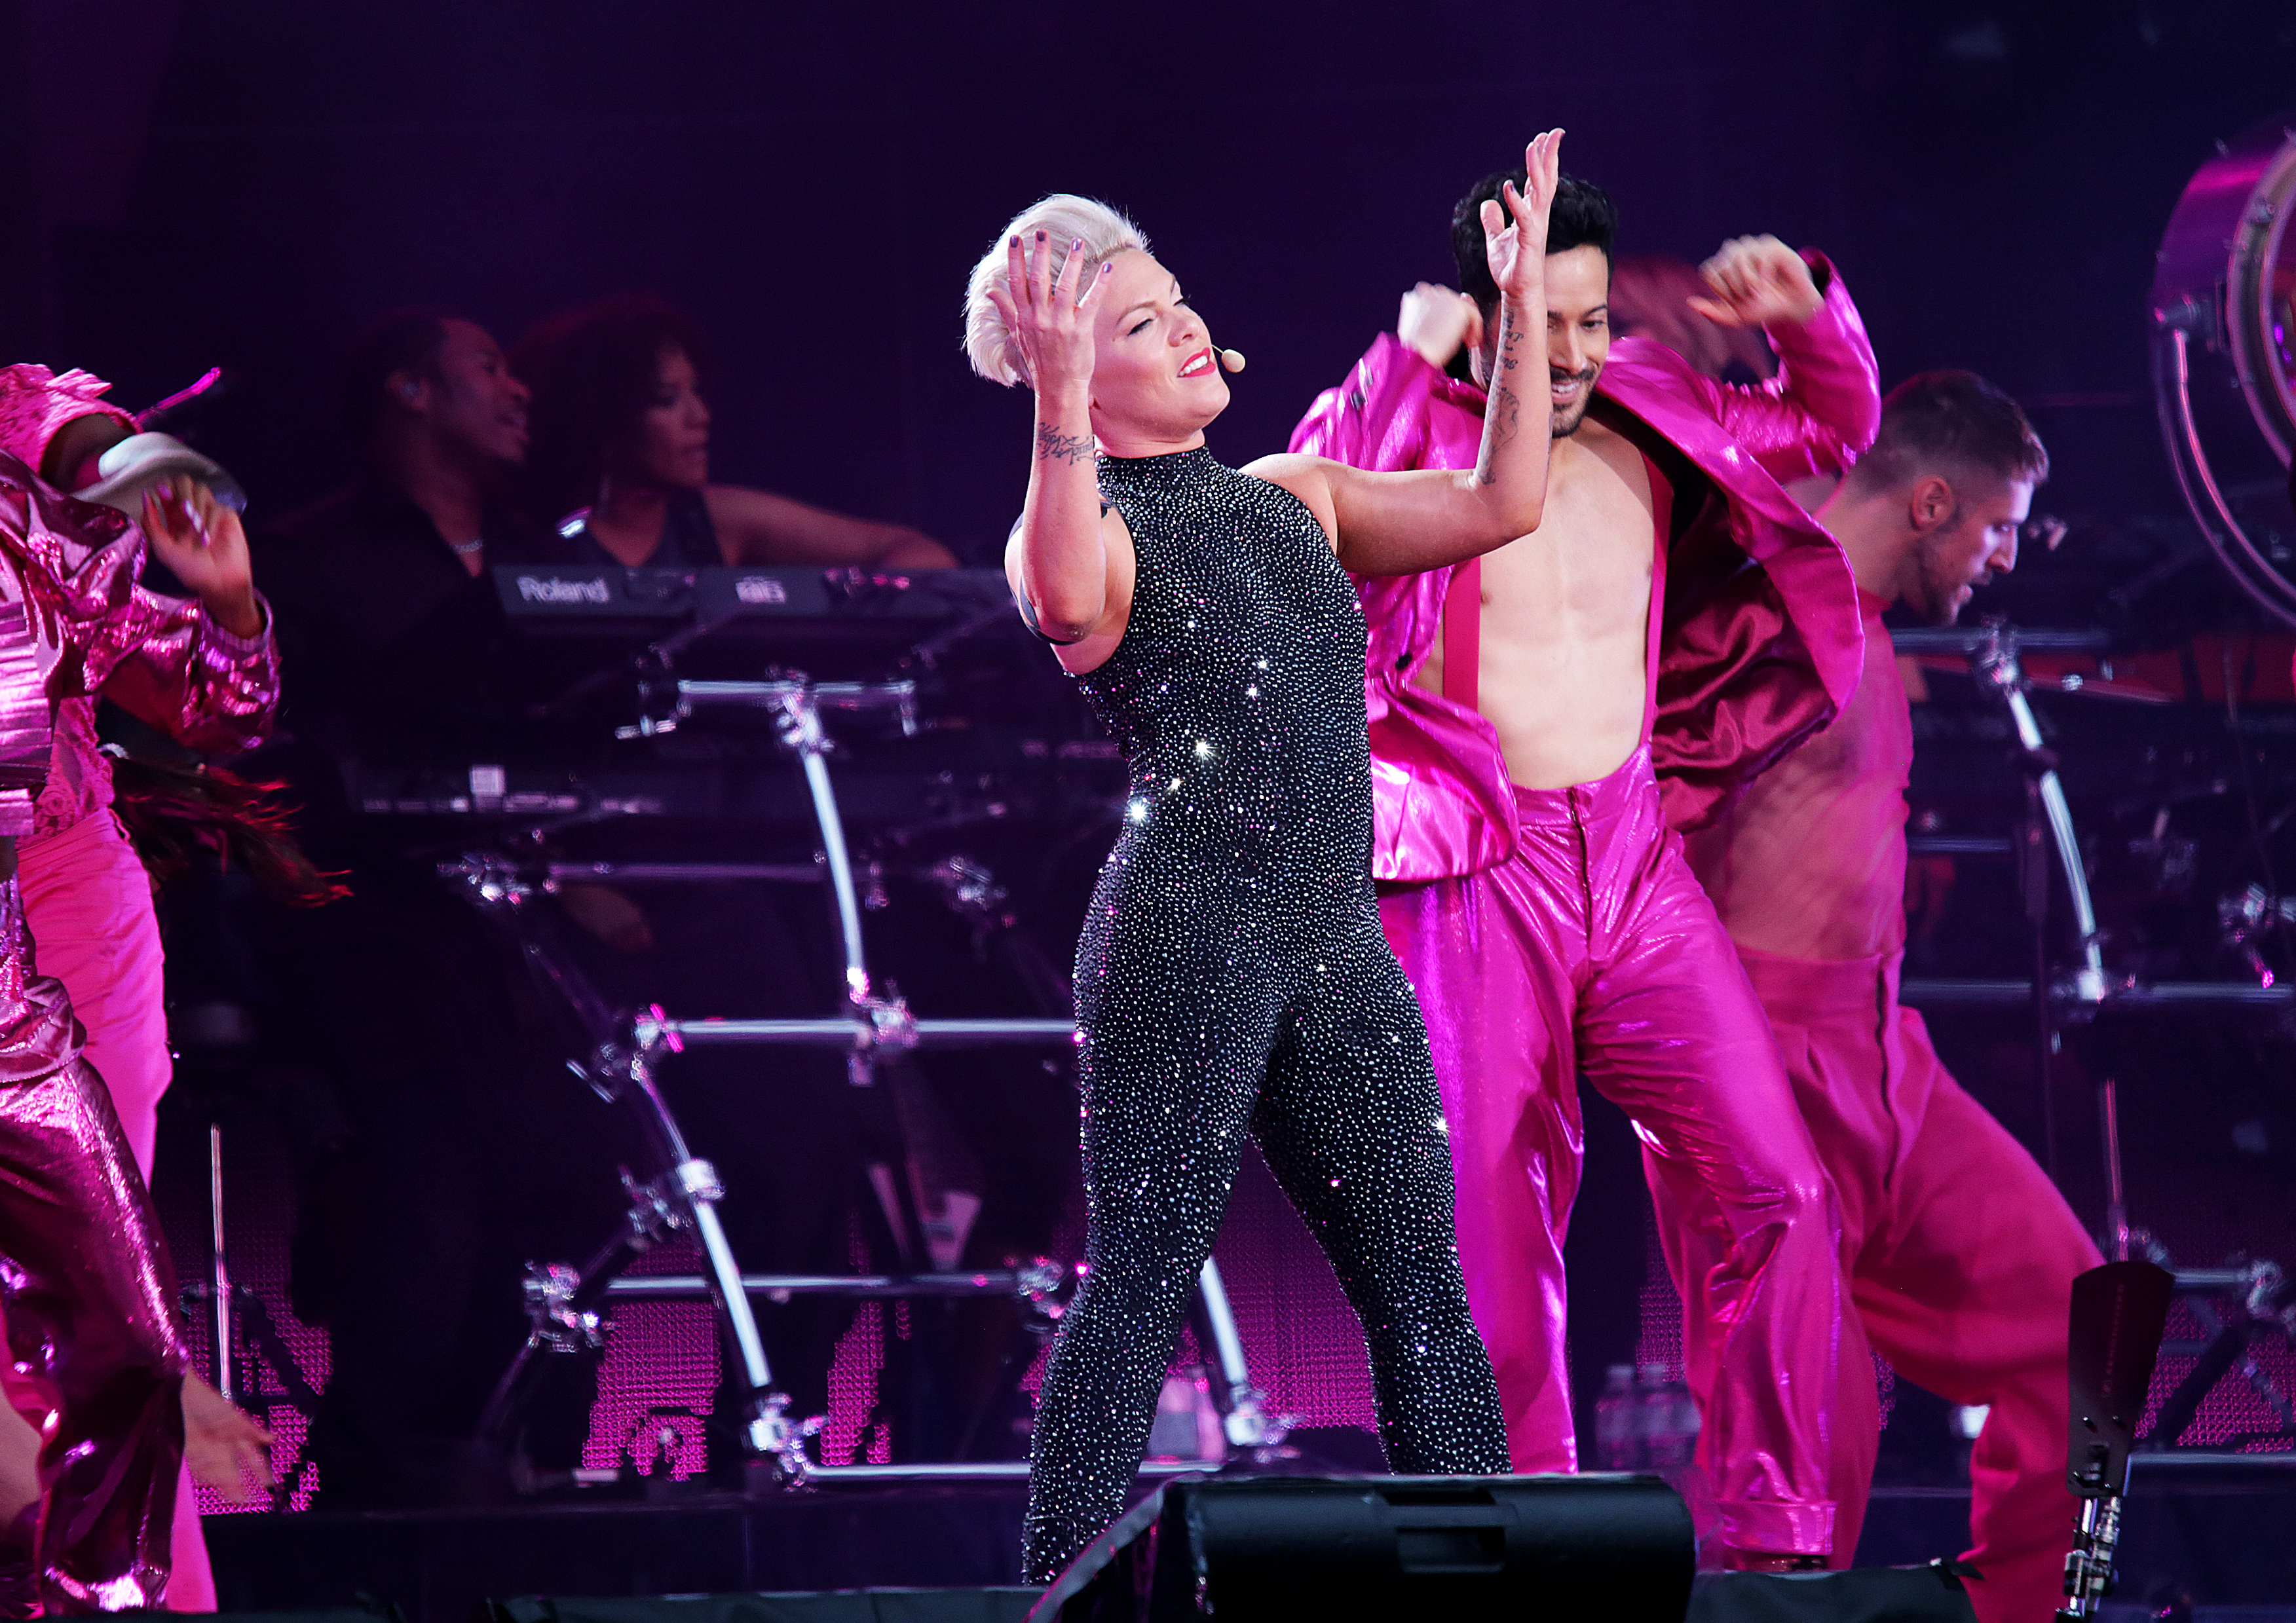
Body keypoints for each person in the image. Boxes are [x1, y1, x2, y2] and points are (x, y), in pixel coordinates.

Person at [965, 130, 1562, 1584]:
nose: (1175, 321)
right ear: (1078, 378)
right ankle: (1060, 1596)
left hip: (1332, 936)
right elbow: (1058, 596)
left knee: (1424, 1293)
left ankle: (1470, 1582)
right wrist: (1054, 401)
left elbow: (1503, 504)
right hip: (1186, 929)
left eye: (1171, 297)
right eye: (1128, 322)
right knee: (1143, 1283)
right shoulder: (1089, 527)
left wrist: (1522, 300)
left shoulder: (1299, 494)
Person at [1290, 168, 1877, 1567]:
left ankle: (1775, 1537)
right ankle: (1527, 1543)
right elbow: (1293, 525)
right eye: (1530, 323)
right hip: (1480, 871)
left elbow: (1826, 427)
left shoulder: (1654, 404)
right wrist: (1408, 349)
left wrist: (1810, 323)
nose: (1562, 356)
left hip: (1633, 859)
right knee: (1493, 1254)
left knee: (1778, 1191)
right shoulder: (1409, 433)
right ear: (1478, 315)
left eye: (1588, 321)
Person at [1684, 371, 2101, 1623]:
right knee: (1801, 1456)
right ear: (1931, 501)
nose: (2003, 560)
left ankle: (2017, 1614)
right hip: (1764, 1066)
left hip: (1887, 1056)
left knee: (2094, 1344)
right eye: (1995, 530)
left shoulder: (1867, 627)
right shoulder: (1757, 612)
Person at [0, 365, 284, 1609]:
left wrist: (224, 593)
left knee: (99, 1304)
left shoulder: (21, 442)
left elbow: (216, 699)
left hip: (63, 900)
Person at [516, 295, 956, 569]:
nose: (700, 416)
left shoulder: (717, 520)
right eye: (667, 398)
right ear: (604, 418)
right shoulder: (543, 547)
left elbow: (918, 552)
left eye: (696, 392)